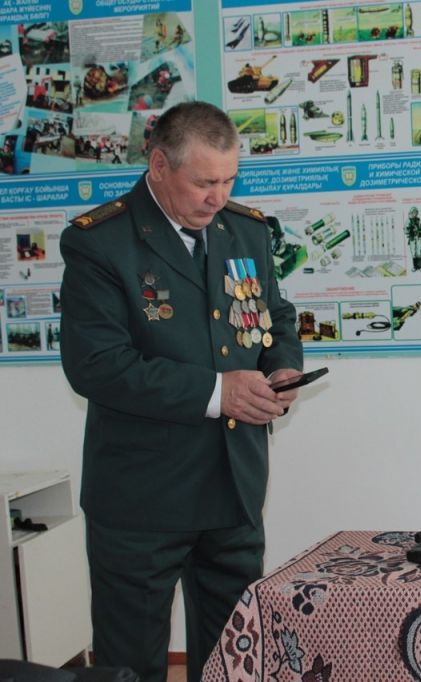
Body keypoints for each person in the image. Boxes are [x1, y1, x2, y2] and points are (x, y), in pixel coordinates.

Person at [59, 101, 304, 682]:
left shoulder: (245, 230)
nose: (217, 197)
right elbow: (96, 365)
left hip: (233, 485)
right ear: (160, 165)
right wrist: (220, 391)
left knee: (233, 659)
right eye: (203, 183)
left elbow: (276, 315)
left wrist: (282, 368)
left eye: (228, 181)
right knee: (132, 663)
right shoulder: (101, 242)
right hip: (143, 499)